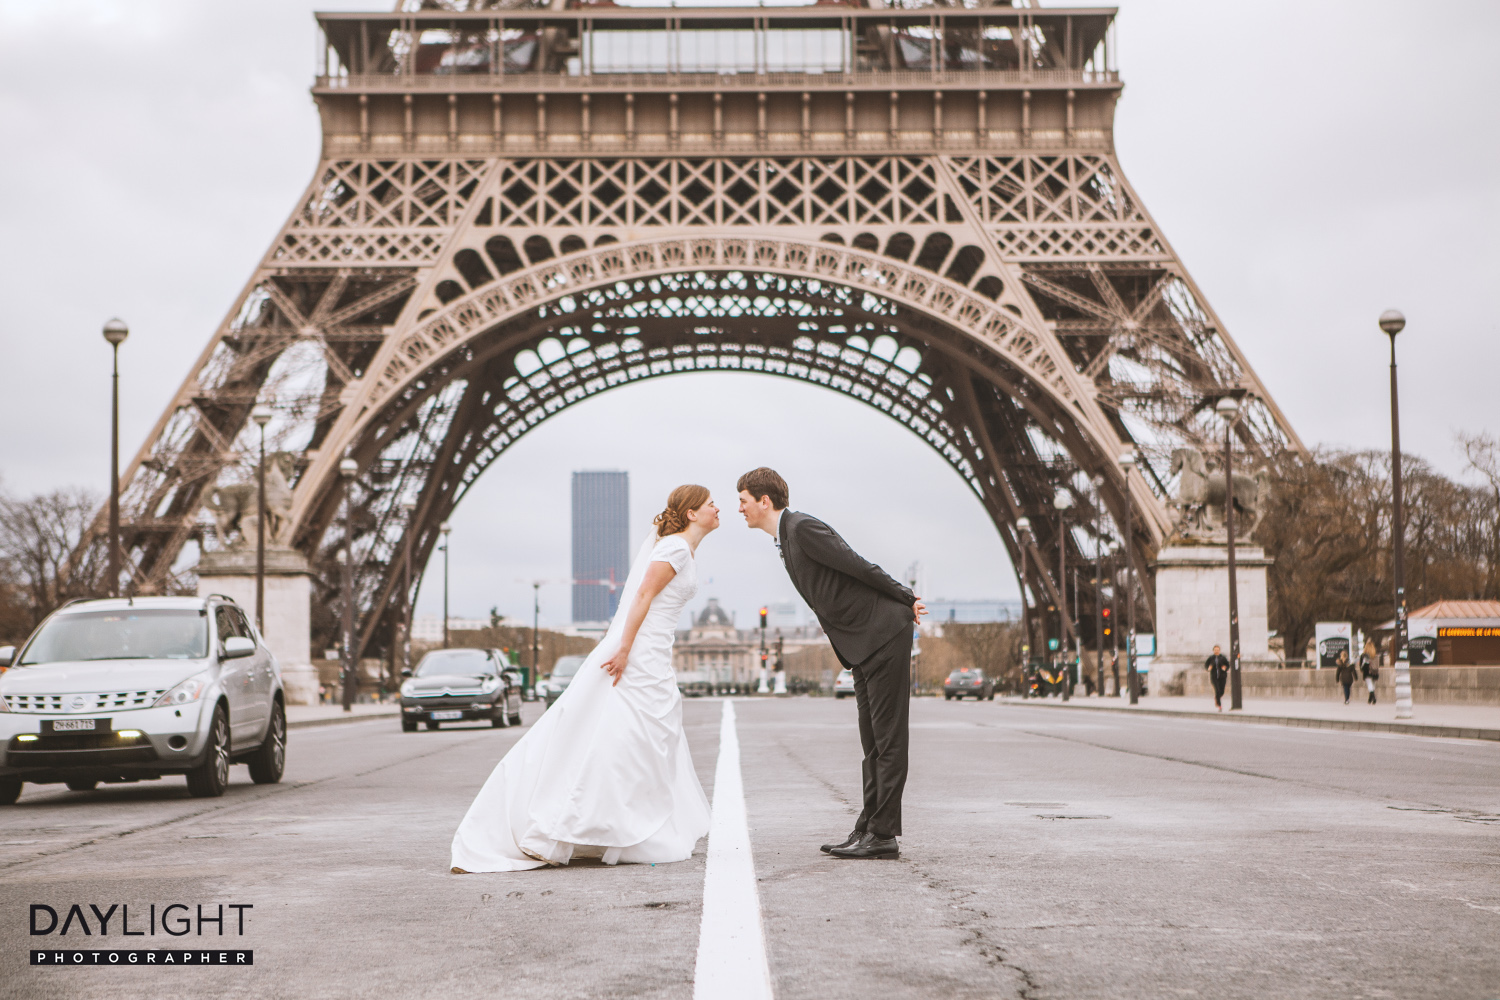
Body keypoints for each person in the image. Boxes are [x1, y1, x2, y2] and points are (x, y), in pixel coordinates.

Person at [449, 486, 715, 873]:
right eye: (711, 503)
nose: (717, 508)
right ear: (692, 512)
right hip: (641, 652)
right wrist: (624, 649)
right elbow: (642, 596)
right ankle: (582, 825)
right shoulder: (674, 548)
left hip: (654, 651)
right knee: (627, 738)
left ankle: (606, 824)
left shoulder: (681, 548)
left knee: (629, 737)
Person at [738, 467, 925, 860]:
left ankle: (883, 834)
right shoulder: (786, 537)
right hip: (862, 643)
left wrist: (906, 596)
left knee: (888, 738)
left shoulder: (802, 528)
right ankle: (869, 825)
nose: (739, 508)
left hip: (883, 632)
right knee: (871, 741)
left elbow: (856, 564)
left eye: (743, 500)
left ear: (764, 501)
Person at [1205, 645, 1230, 711]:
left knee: (1222, 691)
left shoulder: (1223, 658)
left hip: (1222, 677)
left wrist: (1225, 668)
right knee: (1217, 690)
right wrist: (1208, 668)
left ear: (1219, 650)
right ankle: (1220, 706)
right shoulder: (1211, 658)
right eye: (1215, 650)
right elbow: (1206, 665)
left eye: (1217, 650)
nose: (1216, 651)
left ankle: (1217, 698)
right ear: (1213, 650)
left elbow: (1227, 665)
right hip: (1214, 677)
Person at [1361, 639, 1378, 704]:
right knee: (1373, 685)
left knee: (1369, 685)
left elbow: (1362, 666)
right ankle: (1370, 699)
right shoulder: (1375, 655)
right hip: (1375, 671)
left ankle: (1373, 697)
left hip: (1367, 672)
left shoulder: (1364, 656)